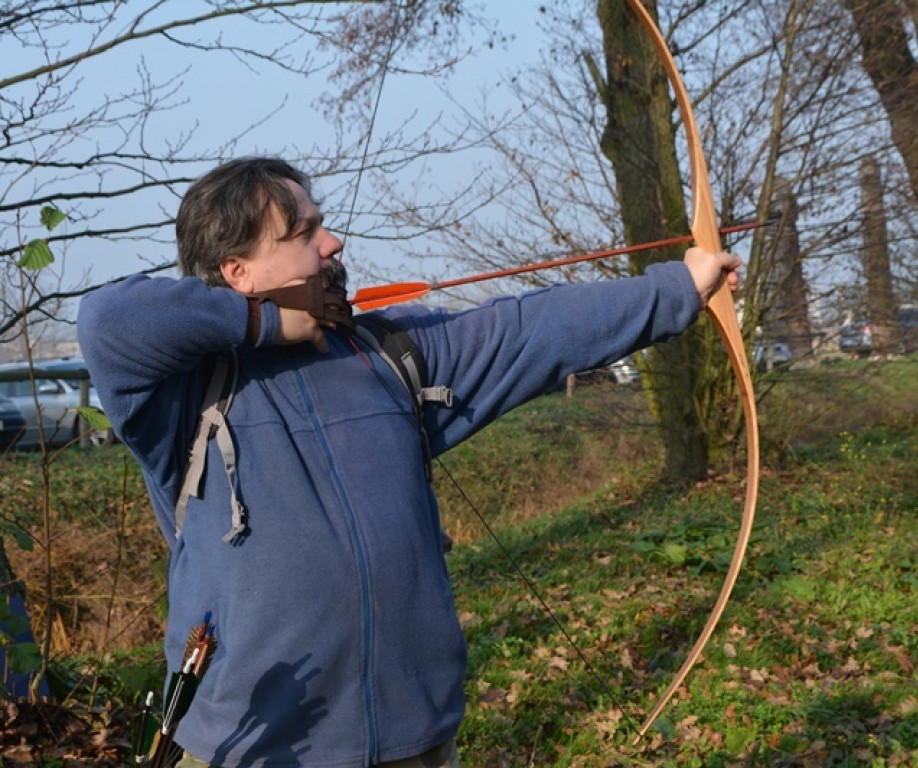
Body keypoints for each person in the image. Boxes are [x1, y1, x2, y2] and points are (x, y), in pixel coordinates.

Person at [77, 157, 740, 767]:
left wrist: (682, 286)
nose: (332, 243)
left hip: (411, 739)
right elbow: (108, 319)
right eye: (304, 232)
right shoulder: (184, 396)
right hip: (254, 748)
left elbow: (534, 327)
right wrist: (269, 325)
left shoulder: (390, 356)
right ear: (237, 272)